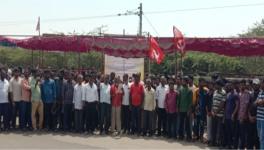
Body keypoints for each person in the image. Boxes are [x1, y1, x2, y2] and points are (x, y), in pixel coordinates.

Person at [224, 82, 239, 149]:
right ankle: (229, 145)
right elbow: (226, 105)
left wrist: (233, 114)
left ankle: (233, 145)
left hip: (232, 116)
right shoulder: (228, 94)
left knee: (233, 131)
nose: (230, 87)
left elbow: (237, 105)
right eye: (229, 86)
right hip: (227, 116)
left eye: (231, 85)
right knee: (228, 131)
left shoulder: (236, 95)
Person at [211, 79, 226, 147]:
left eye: (216, 84)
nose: (215, 85)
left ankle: (219, 143)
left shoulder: (223, 92)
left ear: (220, 85)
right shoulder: (215, 92)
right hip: (213, 114)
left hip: (219, 114)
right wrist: (212, 111)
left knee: (219, 130)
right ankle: (213, 142)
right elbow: (213, 102)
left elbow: (222, 104)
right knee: (213, 129)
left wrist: (216, 112)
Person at [178, 76, 192, 141]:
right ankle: (181, 136)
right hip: (181, 109)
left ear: (186, 82)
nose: (182, 82)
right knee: (181, 123)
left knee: (187, 124)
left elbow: (190, 102)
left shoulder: (189, 90)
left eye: (183, 81)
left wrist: (189, 110)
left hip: (187, 110)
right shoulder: (180, 89)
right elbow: (179, 99)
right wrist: (178, 108)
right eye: (182, 81)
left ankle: (189, 137)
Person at [248, 78, 260, 149]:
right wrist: (249, 116)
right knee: (250, 138)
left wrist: (255, 117)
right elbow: (248, 107)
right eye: (253, 84)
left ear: (259, 85)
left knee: (257, 138)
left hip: (257, 119)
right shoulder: (251, 94)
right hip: (250, 119)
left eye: (256, 84)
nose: (254, 86)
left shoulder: (261, 94)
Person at [238, 80, 250, 149]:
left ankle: (243, 147)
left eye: (243, 85)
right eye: (240, 85)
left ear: (245, 85)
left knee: (244, 134)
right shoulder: (240, 93)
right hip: (239, 116)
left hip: (244, 117)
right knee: (241, 133)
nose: (241, 86)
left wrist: (243, 117)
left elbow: (246, 106)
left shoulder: (247, 93)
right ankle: (241, 147)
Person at [256, 79, 264, 149]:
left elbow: (261, 103)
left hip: (263, 119)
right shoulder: (260, 92)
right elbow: (256, 102)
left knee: (262, 137)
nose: (260, 85)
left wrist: (259, 102)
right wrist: (259, 102)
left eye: (261, 83)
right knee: (259, 137)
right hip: (258, 117)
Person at [206, 80, 214, 146]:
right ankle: (208, 139)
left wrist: (212, 111)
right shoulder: (207, 93)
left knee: (213, 127)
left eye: (211, 84)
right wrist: (207, 111)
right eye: (209, 84)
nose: (210, 86)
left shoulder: (215, 93)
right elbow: (206, 104)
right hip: (208, 112)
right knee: (208, 126)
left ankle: (212, 140)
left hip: (214, 112)